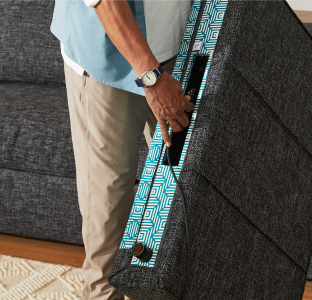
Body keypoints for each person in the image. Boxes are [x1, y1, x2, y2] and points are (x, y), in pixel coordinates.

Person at [51, 0, 192, 298]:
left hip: (184, 42)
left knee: (188, 190)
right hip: (107, 61)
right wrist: (150, 76)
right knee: (109, 201)